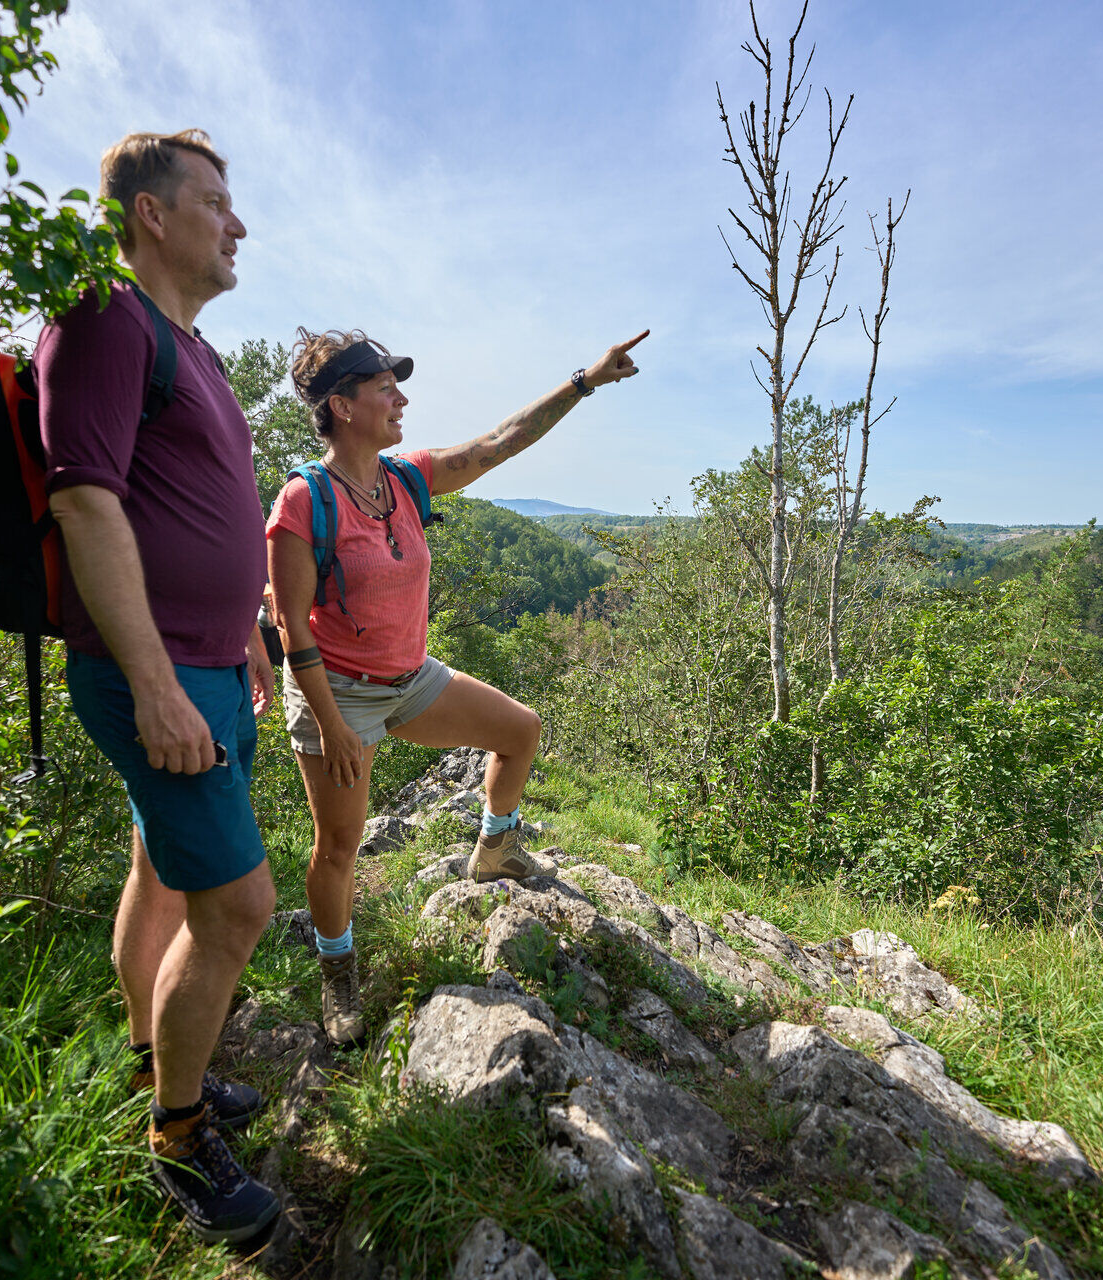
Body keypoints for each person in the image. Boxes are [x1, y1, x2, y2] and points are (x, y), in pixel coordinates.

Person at [265, 326, 647, 1045]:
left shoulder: (405, 477)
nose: (402, 400)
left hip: (411, 678)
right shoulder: (303, 502)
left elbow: (500, 441)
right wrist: (333, 726)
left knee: (520, 730)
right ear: (343, 406)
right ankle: (337, 969)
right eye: (386, 389)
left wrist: (585, 381)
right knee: (339, 846)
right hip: (336, 692)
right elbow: (293, 630)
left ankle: (495, 848)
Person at [38, 129, 279, 1245]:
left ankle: (153, 1058)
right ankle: (177, 1137)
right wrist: (153, 682)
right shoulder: (104, 316)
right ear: (151, 212)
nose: (237, 225)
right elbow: (84, 499)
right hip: (158, 672)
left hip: (210, 663)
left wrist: (250, 636)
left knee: (160, 870)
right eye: (216, 203)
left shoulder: (193, 348)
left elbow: (198, 510)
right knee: (238, 905)